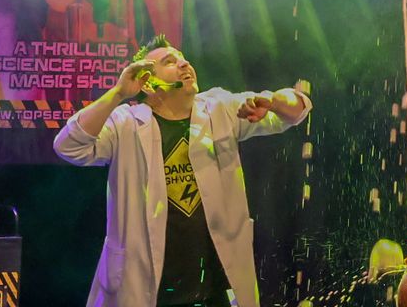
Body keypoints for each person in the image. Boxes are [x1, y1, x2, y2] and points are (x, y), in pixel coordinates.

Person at [54, 35, 311, 307]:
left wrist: (270, 100)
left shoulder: (220, 109)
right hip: (146, 289)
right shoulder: (126, 124)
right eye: (169, 61)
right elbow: (69, 146)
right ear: (149, 83)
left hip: (213, 291)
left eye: (182, 57)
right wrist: (118, 92)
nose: (184, 63)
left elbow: (297, 108)